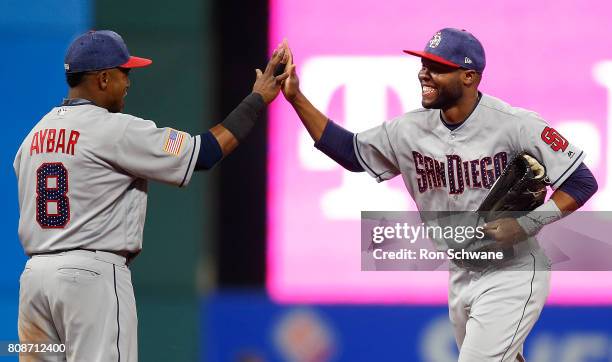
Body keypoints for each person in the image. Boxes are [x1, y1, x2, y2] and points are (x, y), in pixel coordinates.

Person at [279, 29, 598, 361]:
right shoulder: (408, 130)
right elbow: (350, 153)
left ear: (469, 76)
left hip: (513, 271)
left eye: (437, 67)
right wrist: (296, 97)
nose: (424, 73)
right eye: (423, 64)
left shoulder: (516, 125)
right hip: (460, 272)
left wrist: (528, 223)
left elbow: (581, 182)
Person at [13, 29, 288, 361]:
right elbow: (204, 153)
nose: (128, 81)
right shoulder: (114, 128)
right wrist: (257, 99)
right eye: (123, 72)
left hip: (34, 280)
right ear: (102, 79)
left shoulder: (35, 136)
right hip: (91, 277)